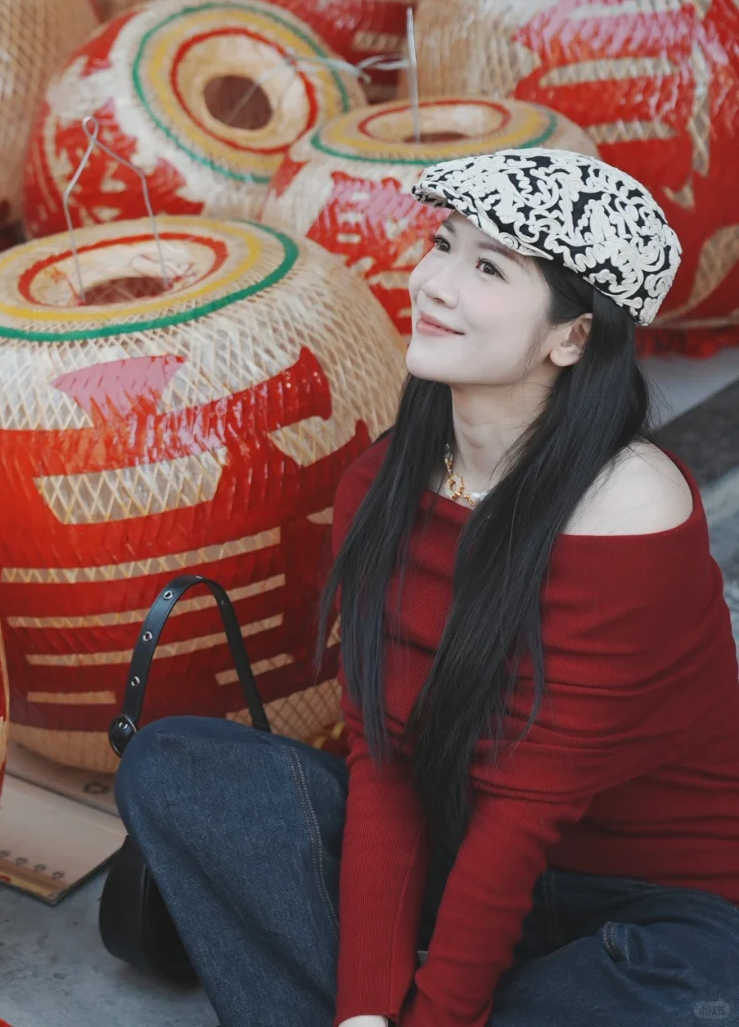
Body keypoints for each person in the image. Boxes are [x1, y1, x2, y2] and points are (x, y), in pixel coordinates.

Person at [112, 148, 739, 1027]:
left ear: (574, 336)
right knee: (174, 769)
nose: (434, 282)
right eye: (443, 244)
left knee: (688, 1000)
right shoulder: (384, 485)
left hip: (648, 905)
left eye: (488, 267)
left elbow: (524, 819)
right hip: (459, 859)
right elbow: (387, 773)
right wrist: (368, 1009)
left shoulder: (627, 508)